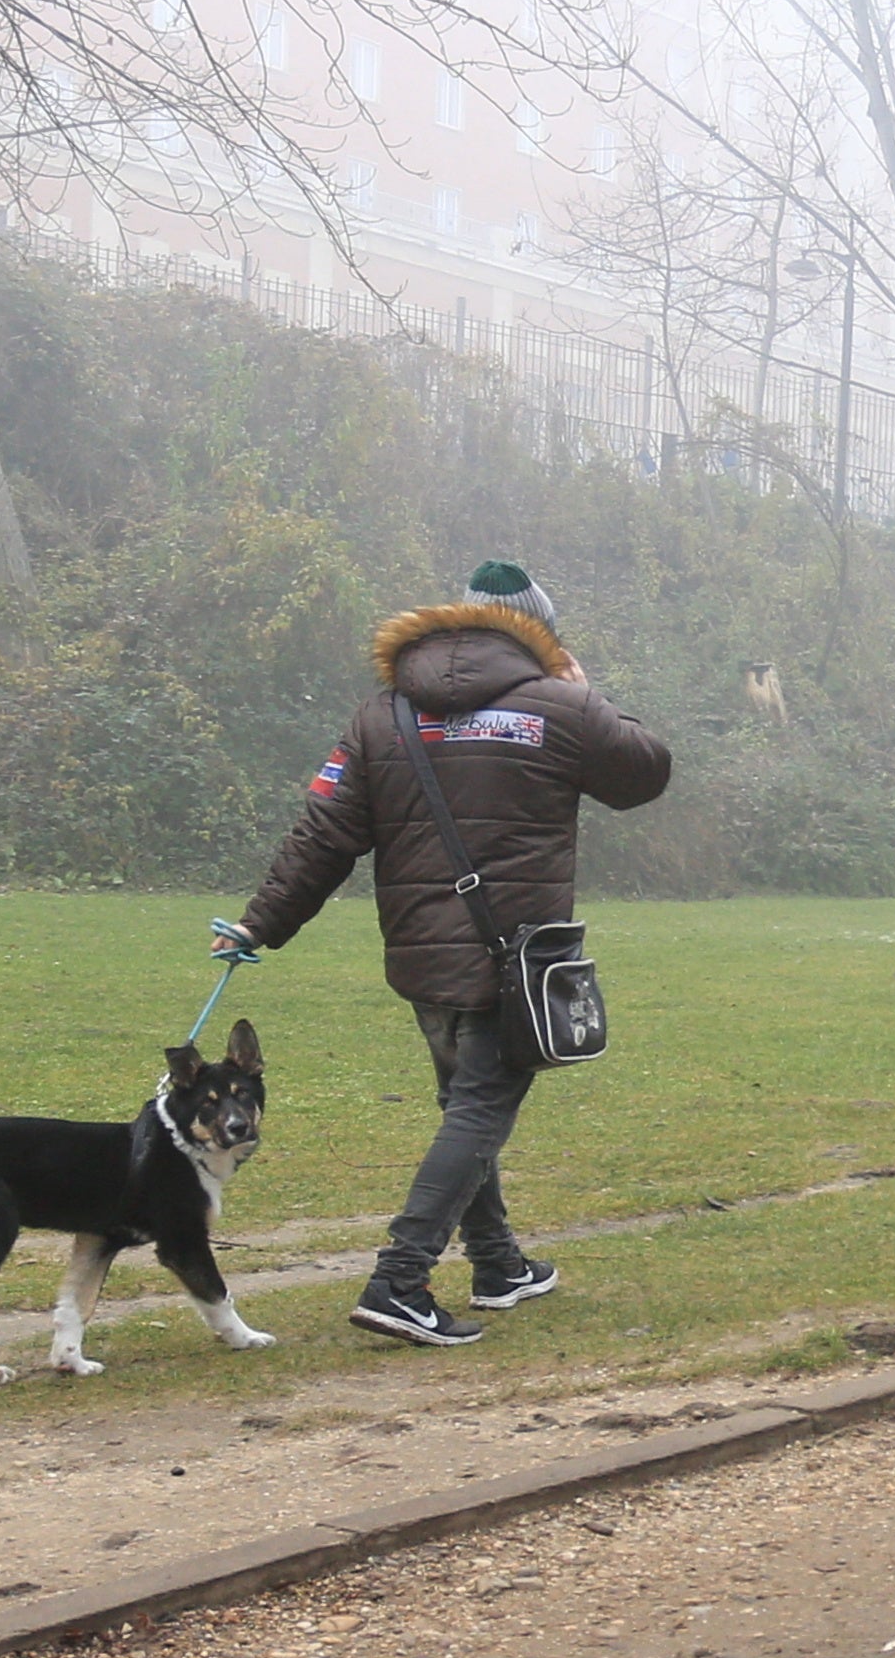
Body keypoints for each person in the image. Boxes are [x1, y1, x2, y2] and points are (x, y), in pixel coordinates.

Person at [222, 558, 672, 1345]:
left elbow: (325, 833)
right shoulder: (558, 707)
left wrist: (261, 923)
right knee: (478, 1112)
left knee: (466, 1106)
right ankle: (400, 1278)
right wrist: (585, 689)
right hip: (513, 959)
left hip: (422, 960)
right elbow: (644, 773)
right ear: (538, 633)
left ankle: (497, 1262)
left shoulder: (383, 714)